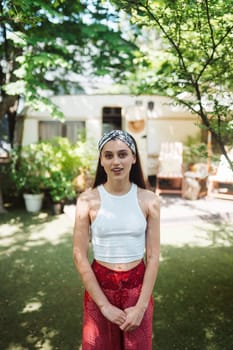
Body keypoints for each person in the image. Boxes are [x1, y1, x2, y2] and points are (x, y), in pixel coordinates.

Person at [73, 130, 160, 350]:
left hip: (137, 287)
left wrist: (140, 308)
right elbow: (79, 256)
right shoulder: (87, 201)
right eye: (108, 155)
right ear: (101, 161)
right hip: (100, 286)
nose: (116, 161)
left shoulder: (149, 200)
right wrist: (104, 306)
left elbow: (153, 256)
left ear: (133, 157)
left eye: (122, 154)